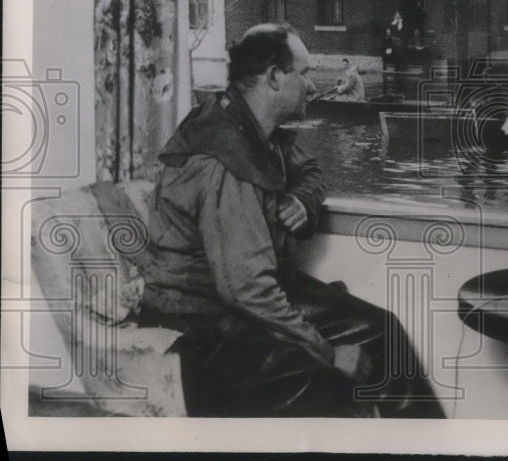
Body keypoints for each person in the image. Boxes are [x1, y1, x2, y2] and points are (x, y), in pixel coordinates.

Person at [134, 23, 444, 418]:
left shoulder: (256, 132)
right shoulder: (224, 157)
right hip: (202, 322)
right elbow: (246, 289)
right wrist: (329, 353)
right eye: (306, 73)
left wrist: (303, 200)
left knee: (383, 329)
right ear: (275, 78)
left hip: (242, 303)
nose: (313, 86)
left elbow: (312, 173)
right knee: (324, 375)